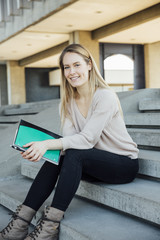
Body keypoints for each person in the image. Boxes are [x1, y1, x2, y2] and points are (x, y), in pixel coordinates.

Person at [0, 43, 139, 240]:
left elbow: (87, 140)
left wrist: (47, 144)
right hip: (91, 163)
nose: (71, 72)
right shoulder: (67, 102)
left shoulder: (104, 96)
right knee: (61, 155)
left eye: (76, 65)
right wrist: (38, 150)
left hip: (122, 164)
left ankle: (48, 228)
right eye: (66, 67)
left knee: (73, 152)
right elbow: (68, 143)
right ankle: (20, 223)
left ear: (89, 65)